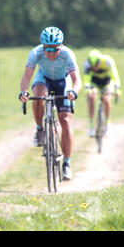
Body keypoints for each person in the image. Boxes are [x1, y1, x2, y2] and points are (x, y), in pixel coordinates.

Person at [19, 27, 82, 180]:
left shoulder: (68, 54)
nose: (51, 53)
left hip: (63, 81)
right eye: (47, 49)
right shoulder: (36, 53)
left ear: (61, 46)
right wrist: (24, 92)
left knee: (65, 120)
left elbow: (77, 80)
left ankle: (66, 164)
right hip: (44, 79)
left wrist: (74, 92)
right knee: (39, 95)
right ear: (43, 46)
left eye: (55, 49)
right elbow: (27, 76)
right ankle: (40, 129)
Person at [83, 49, 121, 137]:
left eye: (96, 65)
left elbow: (114, 75)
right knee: (91, 97)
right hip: (94, 82)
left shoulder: (108, 61)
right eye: (92, 66)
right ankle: (91, 125)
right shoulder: (87, 65)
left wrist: (117, 88)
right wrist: (87, 88)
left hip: (107, 81)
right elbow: (86, 79)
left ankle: (108, 123)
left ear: (99, 61)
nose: (94, 68)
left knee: (107, 100)